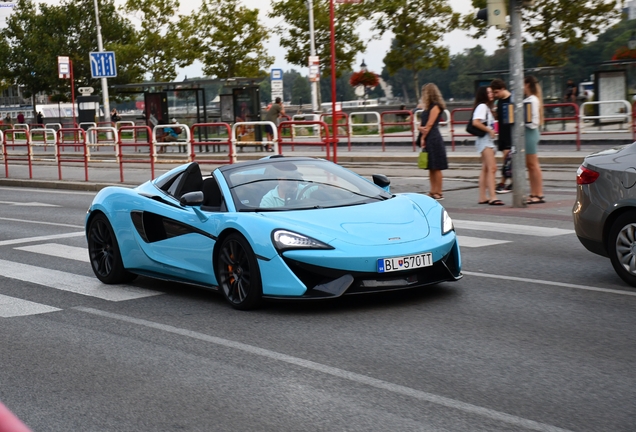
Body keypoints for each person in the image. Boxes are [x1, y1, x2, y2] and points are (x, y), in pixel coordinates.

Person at [472, 86, 503, 206]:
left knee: (486, 168)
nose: (491, 94)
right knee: (492, 168)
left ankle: (483, 196)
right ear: (483, 94)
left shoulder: (486, 107)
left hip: (485, 140)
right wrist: (489, 130)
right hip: (485, 140)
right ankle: (493, 196)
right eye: (488, 92)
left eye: (491, 92)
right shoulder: (482, 106)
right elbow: (476, 122)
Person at [417, 83, 448, 201]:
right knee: (431, 166)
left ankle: (439, 192)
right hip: (428, 137)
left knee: (437, 166)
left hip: (433, 138)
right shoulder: (427, 108)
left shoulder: (436, 106)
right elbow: (421, 126)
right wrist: (422, 132)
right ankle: (432, 190)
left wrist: (423, 136)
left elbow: (429, 125)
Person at [524, 76, 545, 204]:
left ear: (527, 85)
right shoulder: (533, 99)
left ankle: (538, 193)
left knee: (533, 165)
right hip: (530, 132)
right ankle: (534, 193)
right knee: (531, 165)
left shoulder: (531, 100)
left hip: (530, 132)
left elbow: (531, 121)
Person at [490, 79, 513, 194]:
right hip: (502, 134)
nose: (495, 95)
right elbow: (499, 118)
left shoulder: (512, 99)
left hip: (510, 133)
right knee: (507, 160)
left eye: (496, 92)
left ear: (503, 88)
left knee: (507, 160)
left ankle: (503, 182)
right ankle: (513, 182)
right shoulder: (498, 101)